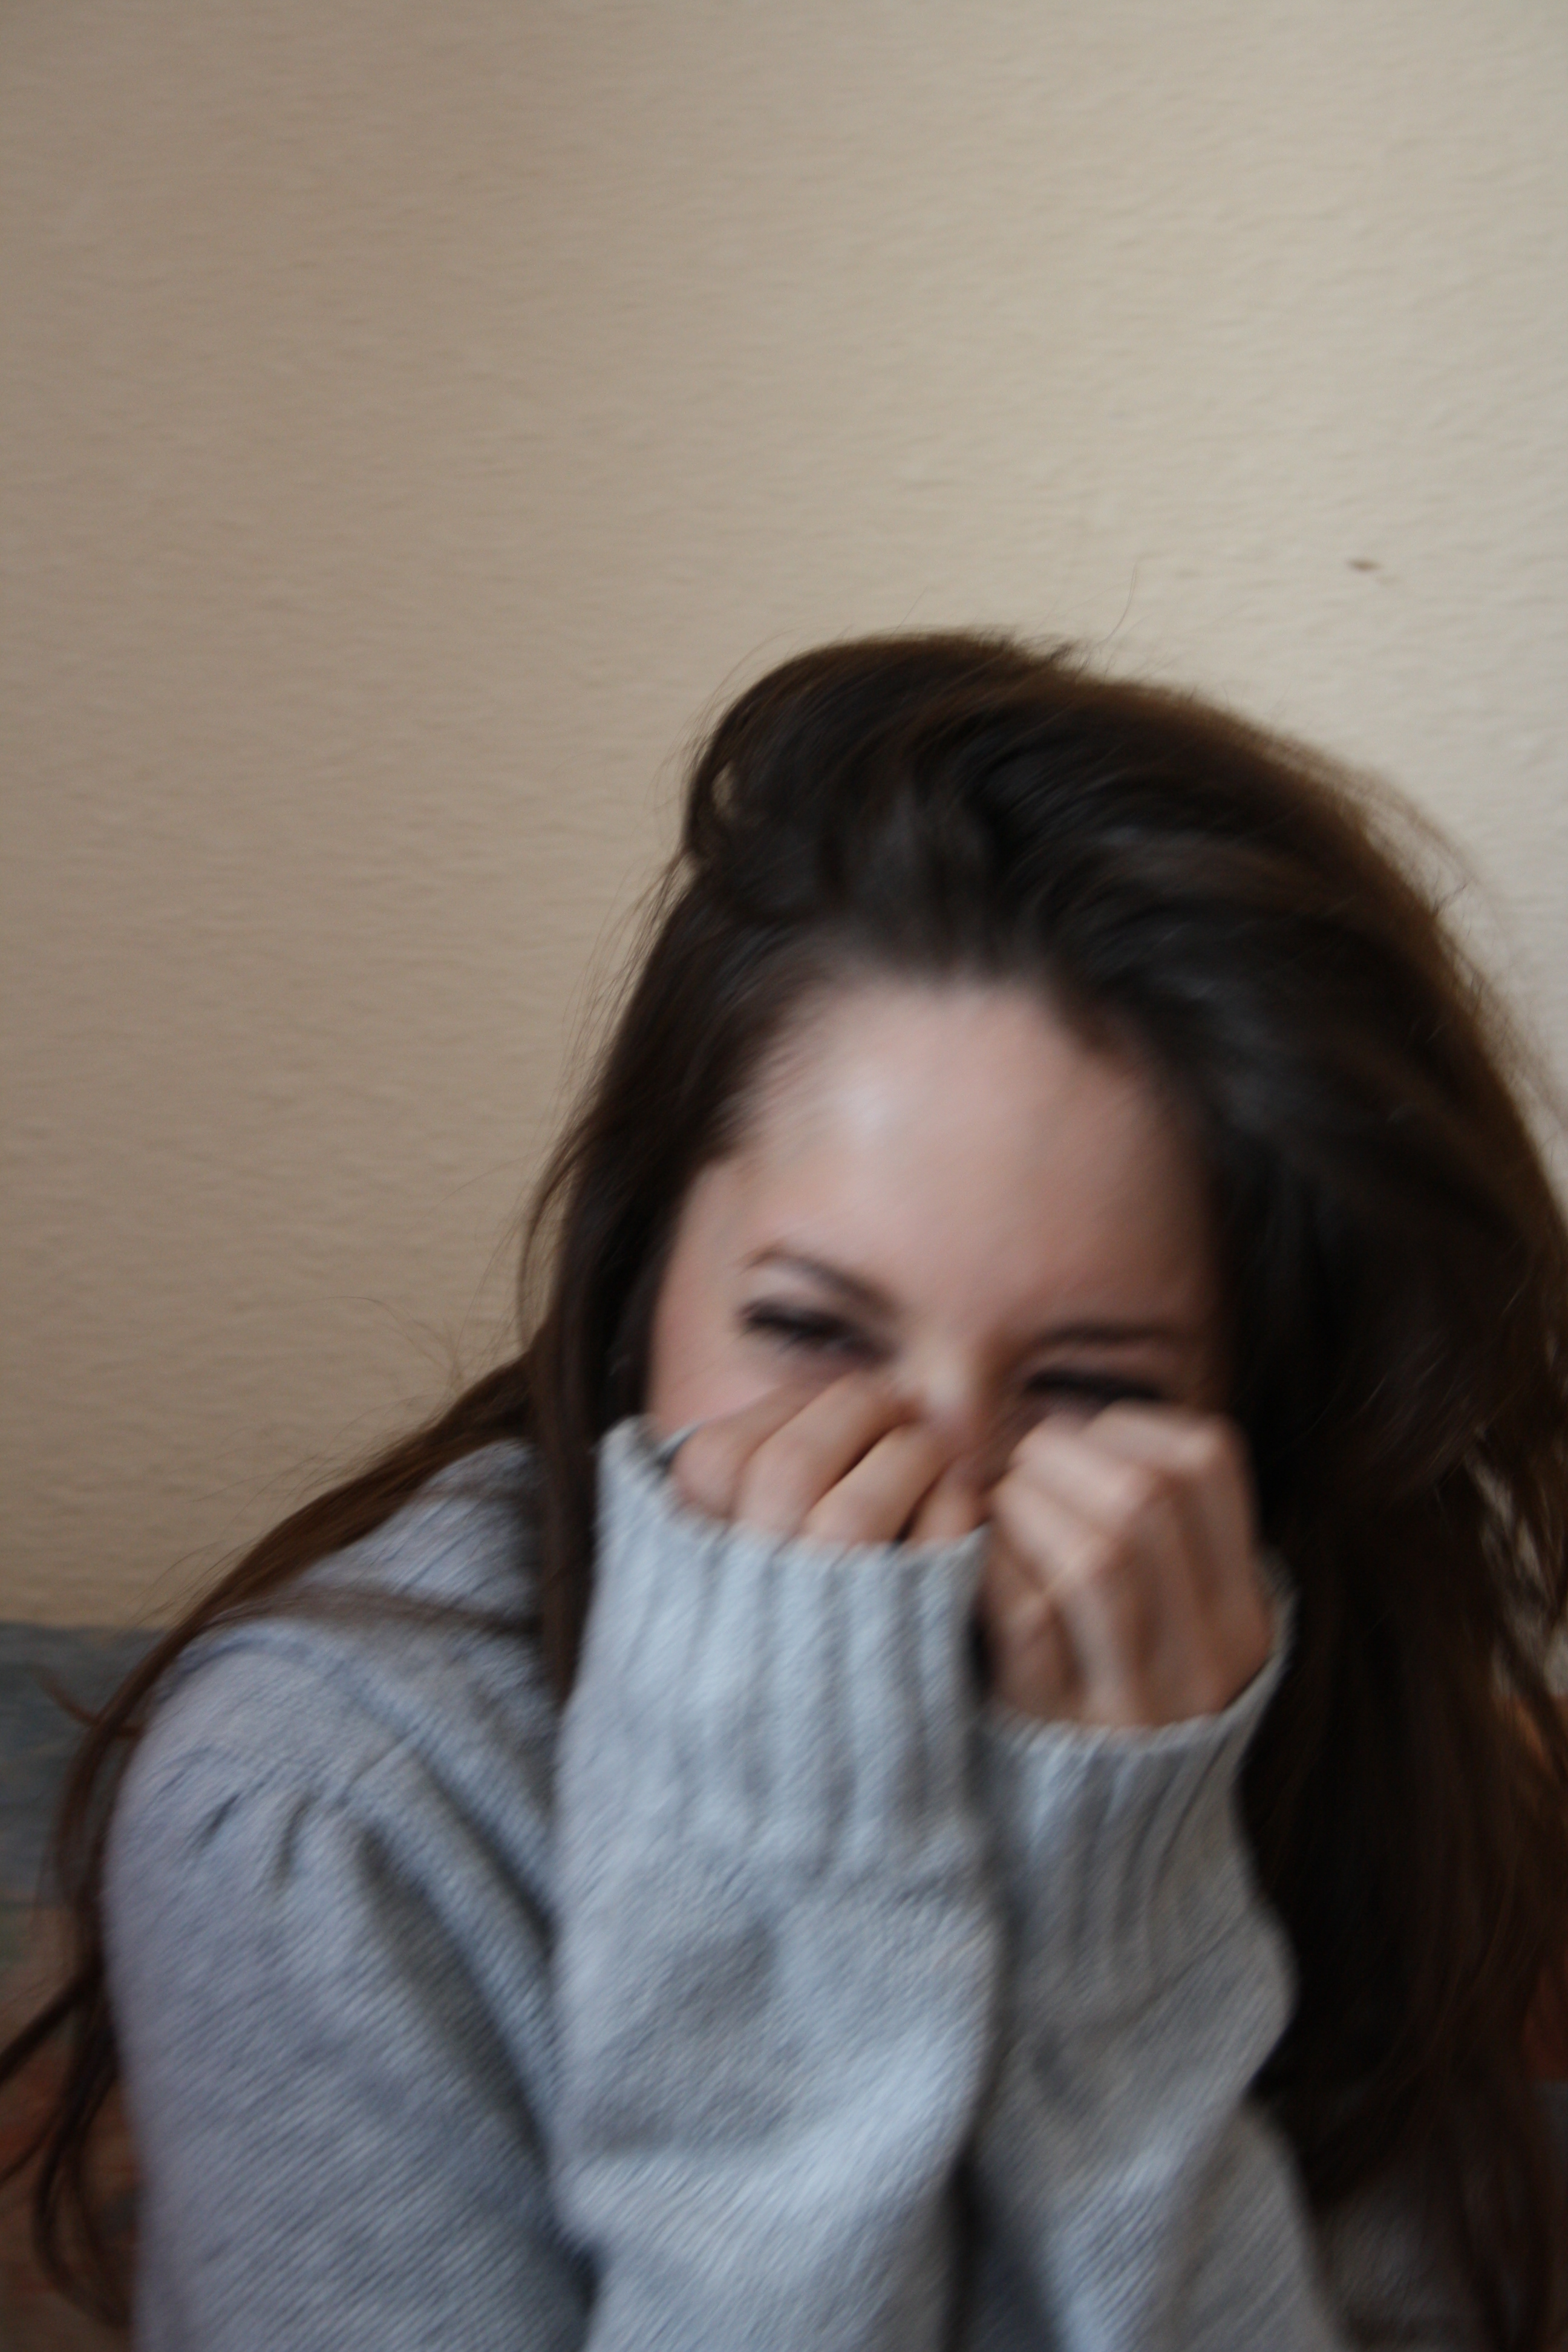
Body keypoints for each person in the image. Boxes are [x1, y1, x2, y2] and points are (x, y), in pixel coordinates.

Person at [2, 632, 1566, 2350]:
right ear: (641, 1279)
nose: (932, 1487)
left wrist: (1128, 1978)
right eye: (814, 1331)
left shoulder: (1287, 1677)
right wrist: (777, 1908)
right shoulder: (323, 1807)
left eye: (1090, 1387)